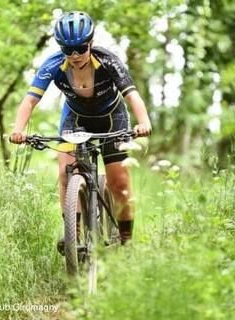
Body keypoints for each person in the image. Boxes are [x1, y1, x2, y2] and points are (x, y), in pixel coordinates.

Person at [10, 11, 152, 248]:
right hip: (75, 118)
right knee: (65, 172)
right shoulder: (53, 65)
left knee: (119, 182)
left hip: (112, 118)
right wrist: (18, 130)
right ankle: (73, 235)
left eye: (81, 48)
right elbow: (30, 100)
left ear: (91, 43)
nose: (75, 55)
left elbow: (132, 95)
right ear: (61, 48)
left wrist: (144, 122)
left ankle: (126, 241)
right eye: (68, 50)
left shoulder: (108, 61)